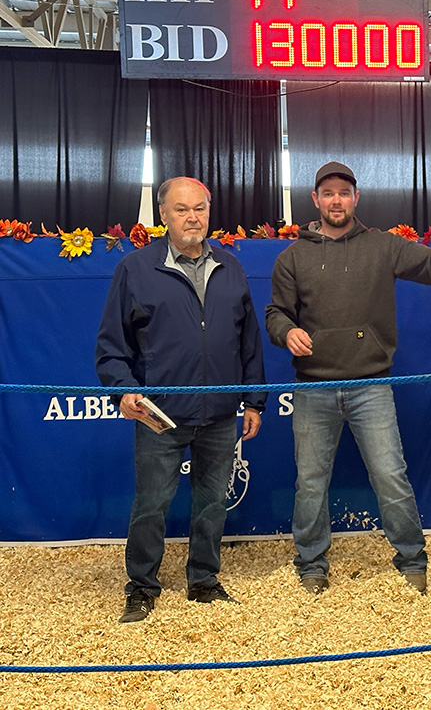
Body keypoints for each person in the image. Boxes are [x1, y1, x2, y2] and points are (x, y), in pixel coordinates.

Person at [265, 161, 431, 596]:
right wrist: (285, 331)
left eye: (343, 193)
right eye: (327, 193)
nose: (336, 200)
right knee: (310, 480)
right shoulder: (293, 257)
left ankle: (412, 558)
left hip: (371, 385)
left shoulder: (383, 247)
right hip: (313, 388)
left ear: (356, 198)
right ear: (315, 200)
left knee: (390, 475)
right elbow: (276, 313)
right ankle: (311, 564)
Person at [96, 176, 267, 623]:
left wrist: (254, 400)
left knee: (213, 501)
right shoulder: (134, 269)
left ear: (210, 213)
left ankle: (205, 581)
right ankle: (141, 586)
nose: (193, 217)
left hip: (219, 415)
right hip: (161, 416)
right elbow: (111, 347)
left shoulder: (230, 267)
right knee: (151, 502)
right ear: (163, 216)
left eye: (200, 209)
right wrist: (123, 388)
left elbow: (249, 343)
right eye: (181, 209)